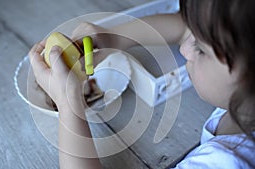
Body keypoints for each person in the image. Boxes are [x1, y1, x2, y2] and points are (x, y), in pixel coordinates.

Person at [28, 0, 255, 168]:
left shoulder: (225, 162)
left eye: (201, 50)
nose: (185, 49)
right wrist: (112, 37)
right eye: (193, 37)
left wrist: (69, 105)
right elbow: (184, 26)